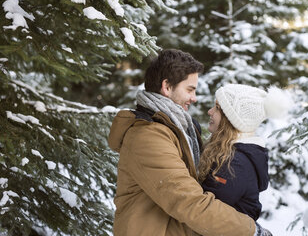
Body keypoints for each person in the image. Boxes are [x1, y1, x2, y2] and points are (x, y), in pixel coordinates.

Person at [108, 49, 256, 236]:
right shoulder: (147, 136)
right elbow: (188, 202)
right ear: (167, 87)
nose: (194, 98)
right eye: (190, 89)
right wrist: (250, 230)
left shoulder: (181, 129)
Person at [199, 84, 292, 236]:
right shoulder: (230, 154)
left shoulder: (235, 163)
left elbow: (203, 213)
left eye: (217, 108)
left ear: (231, 119)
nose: (210, 112)